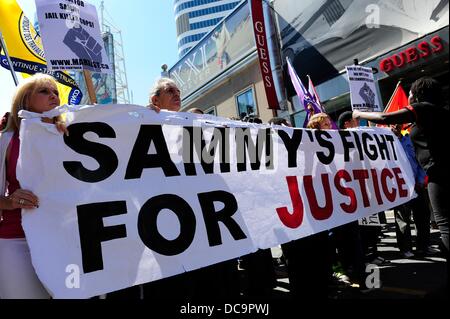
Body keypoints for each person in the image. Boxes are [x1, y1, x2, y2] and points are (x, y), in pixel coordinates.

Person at [353, 77, 449, 269]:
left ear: (420, 94)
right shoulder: (443, 112)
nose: (409, 97)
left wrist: (359, 113)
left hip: (439, 174)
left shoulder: (423, 108)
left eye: (411, 93)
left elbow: (384, 118)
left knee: (445, 224)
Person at [0, 73, 67, 299]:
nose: (53, 96)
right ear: (25, 99)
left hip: (64, 239)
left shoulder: (70, 135)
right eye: (44, 91)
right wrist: (9, 201)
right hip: (17, 240)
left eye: (56, 92)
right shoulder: (7, 140)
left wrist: (148, 118)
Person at [391, 124, 432, 258]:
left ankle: (424, 246)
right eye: (393, 123)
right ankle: (405, 248)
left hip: (417, 184)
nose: (395, 126)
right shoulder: (387, 142)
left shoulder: (409, 138)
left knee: (423, 216)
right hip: (401, 186)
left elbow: (419, 159)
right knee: (403, 218)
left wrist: (420, 179)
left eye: (398, 123)